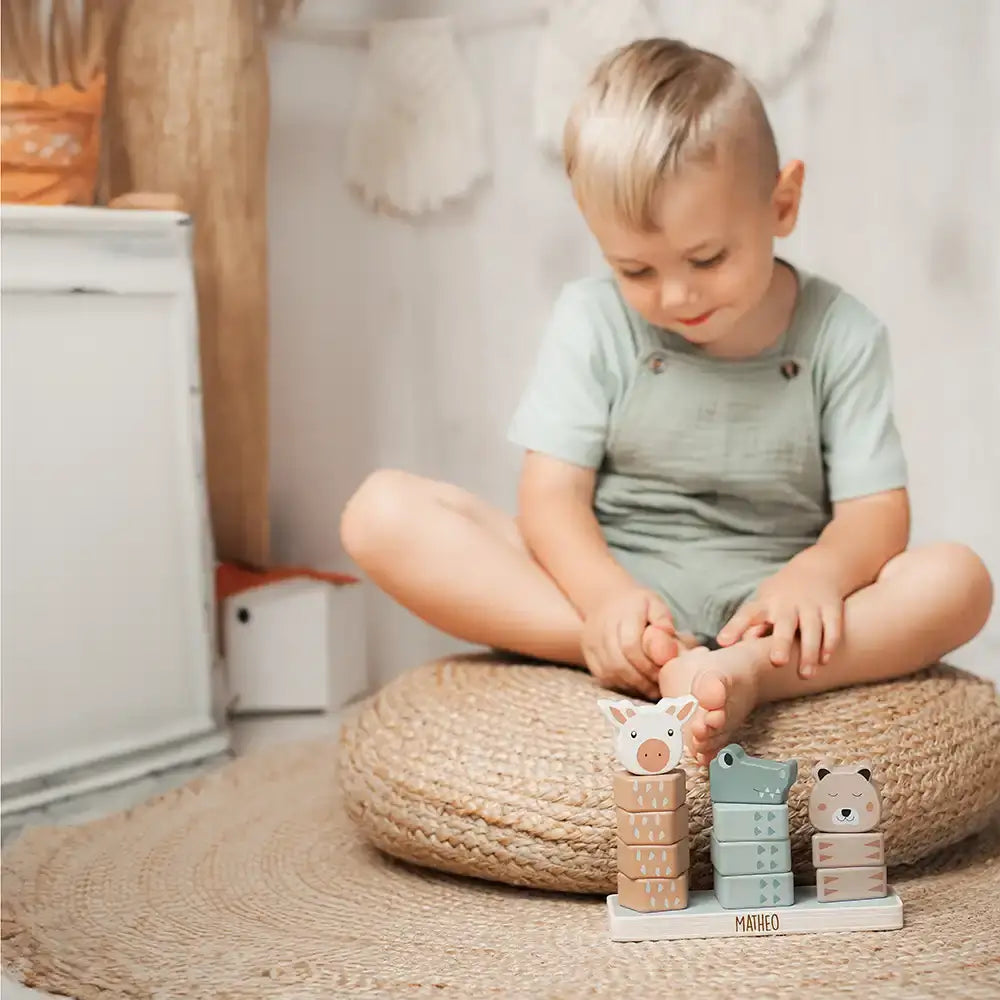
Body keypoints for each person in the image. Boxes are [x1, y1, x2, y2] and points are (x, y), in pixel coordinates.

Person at [340, 38, 993, 763]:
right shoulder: (593, 321)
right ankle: (636, 651)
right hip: (615, 581)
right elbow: (551, 497)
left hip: (770, 607)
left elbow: (876, 513)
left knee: (958, 580)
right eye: (635, 269)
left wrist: (816, 577)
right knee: (381, 512)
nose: (676, 295)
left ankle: (746, 674)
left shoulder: (842, 333)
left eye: (707, 259)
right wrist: (606, 603)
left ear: (782, 203)